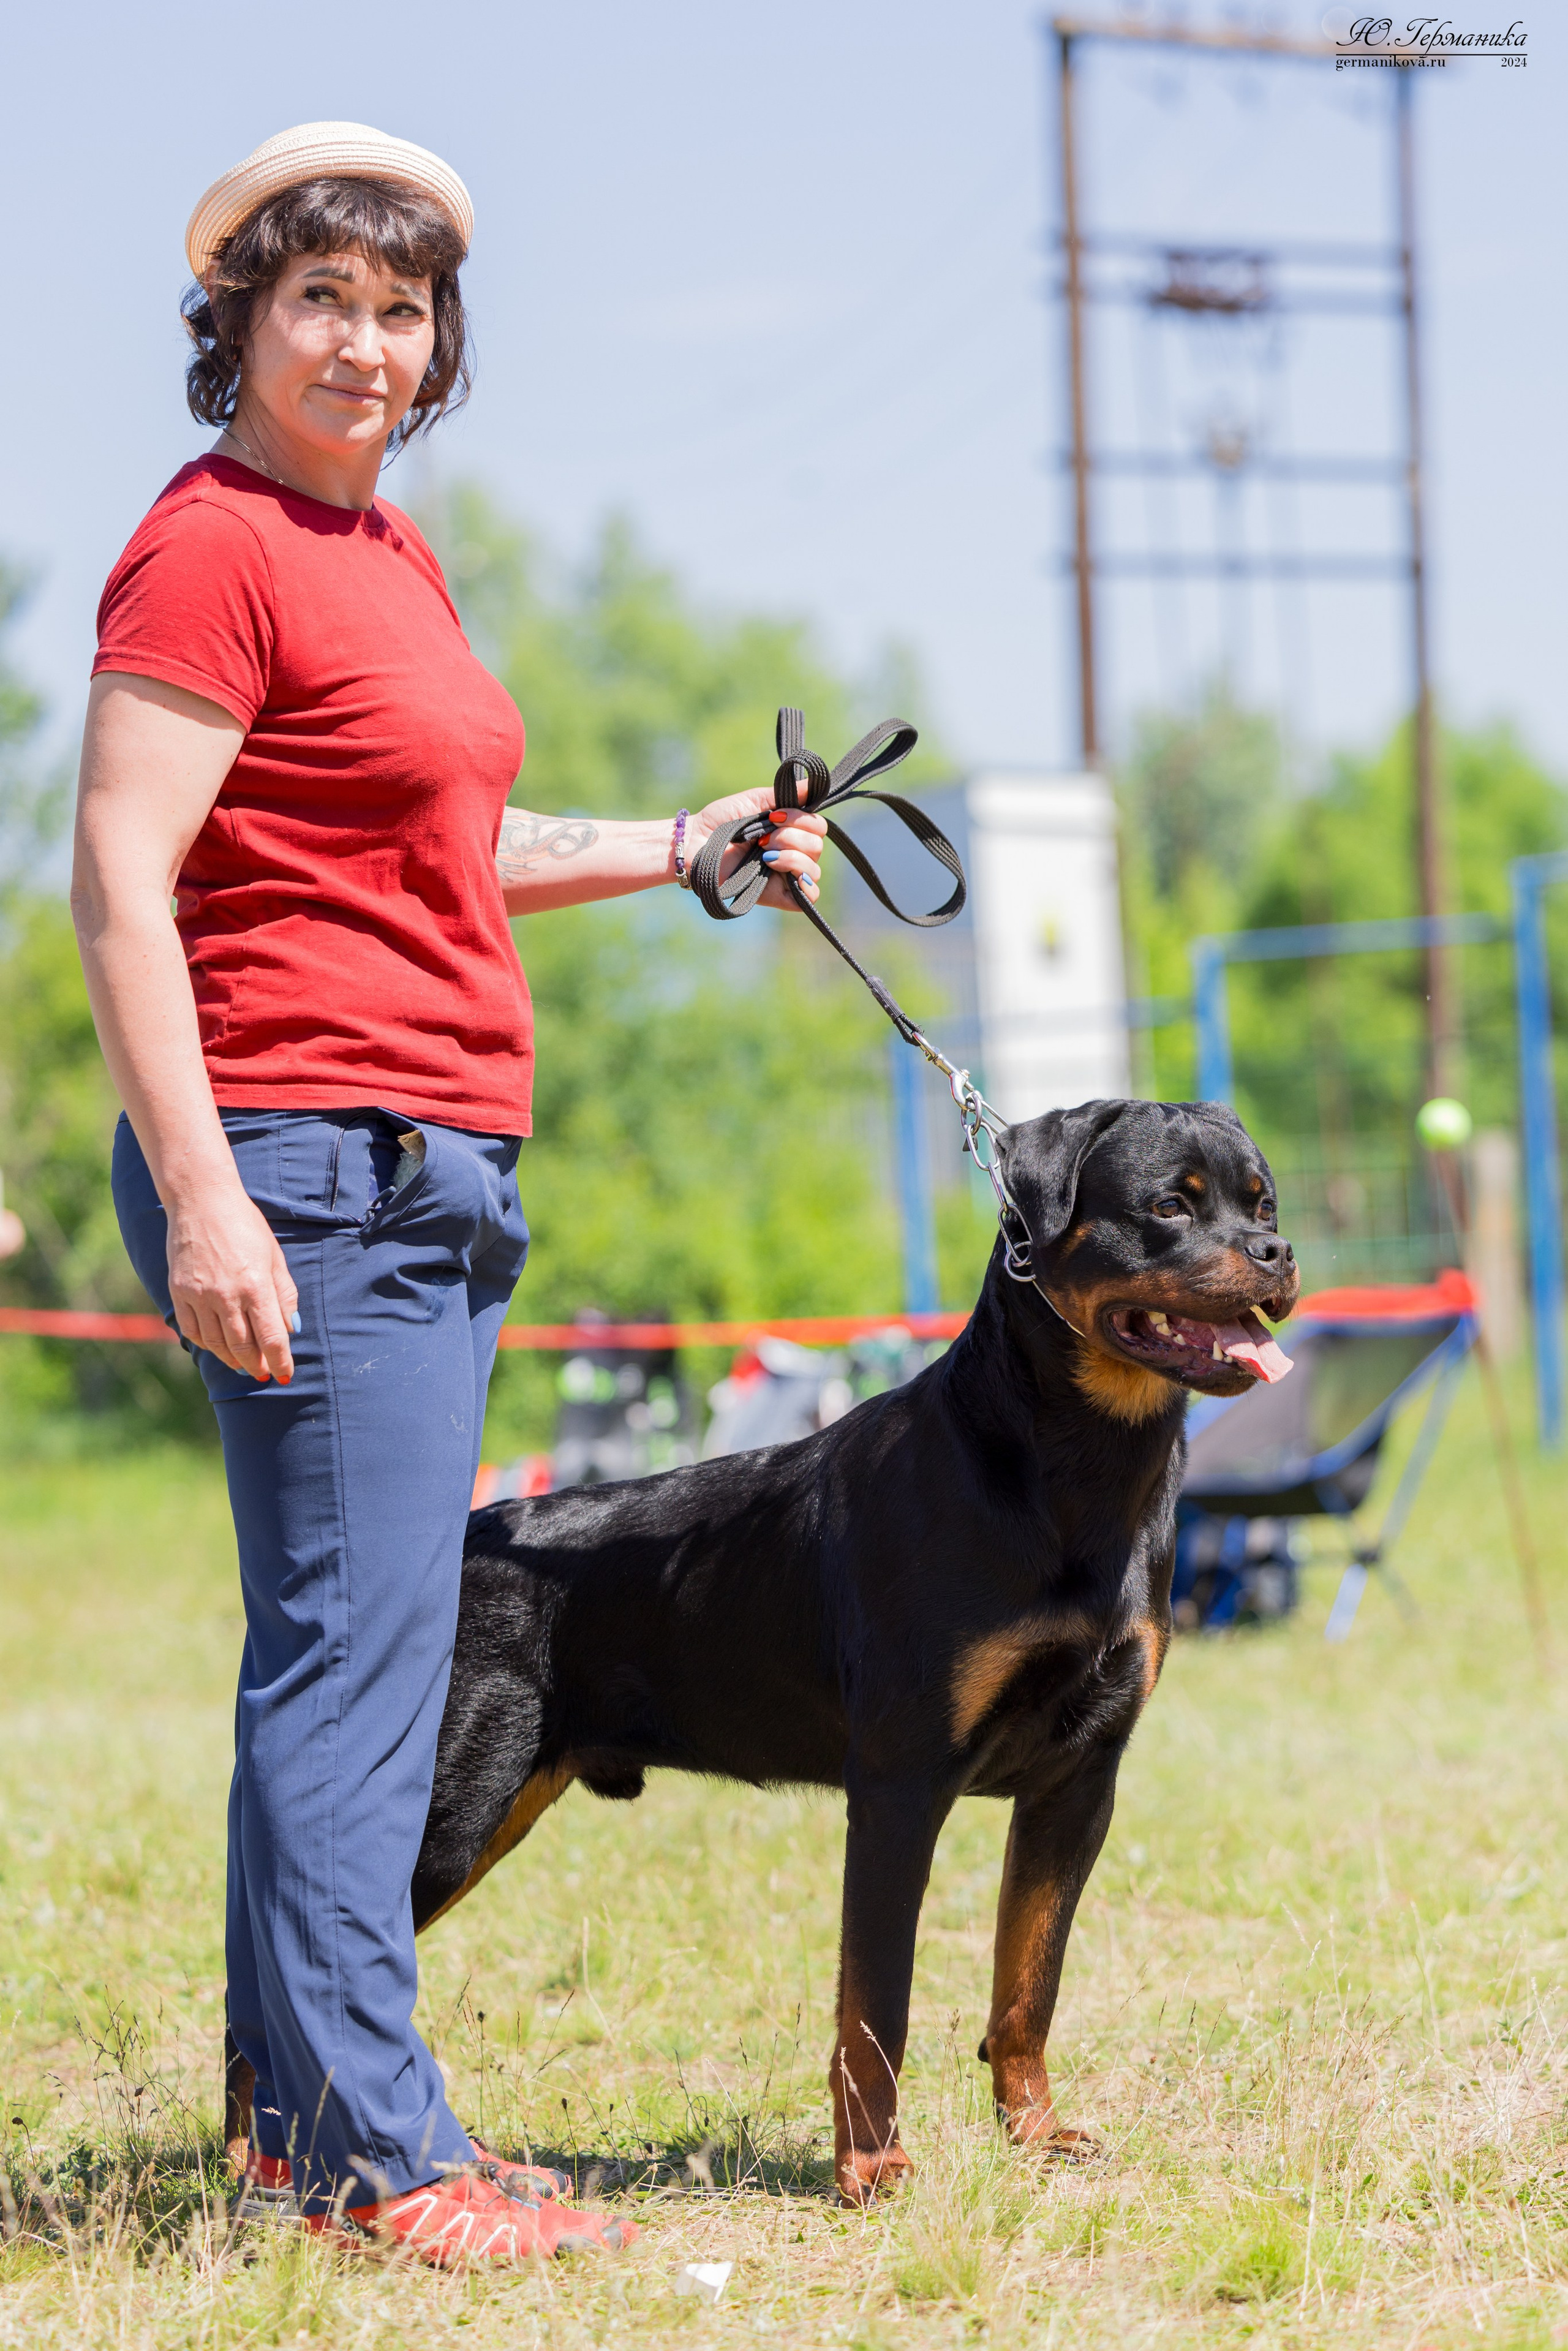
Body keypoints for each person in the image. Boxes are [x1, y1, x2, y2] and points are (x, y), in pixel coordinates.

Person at [72, 121, 826, 2267]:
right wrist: (208, 1198)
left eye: (404, 311)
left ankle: (277, 2118)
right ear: (237, 322)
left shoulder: (381, 559)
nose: (367, 344)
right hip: (308, 1163)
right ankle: (376, 2158)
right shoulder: (206, 548)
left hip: (423, 1167)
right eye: (323, 299)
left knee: (349, 1652)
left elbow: (431, 850)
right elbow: (124, 880)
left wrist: (680, 844)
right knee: (361, 1671)